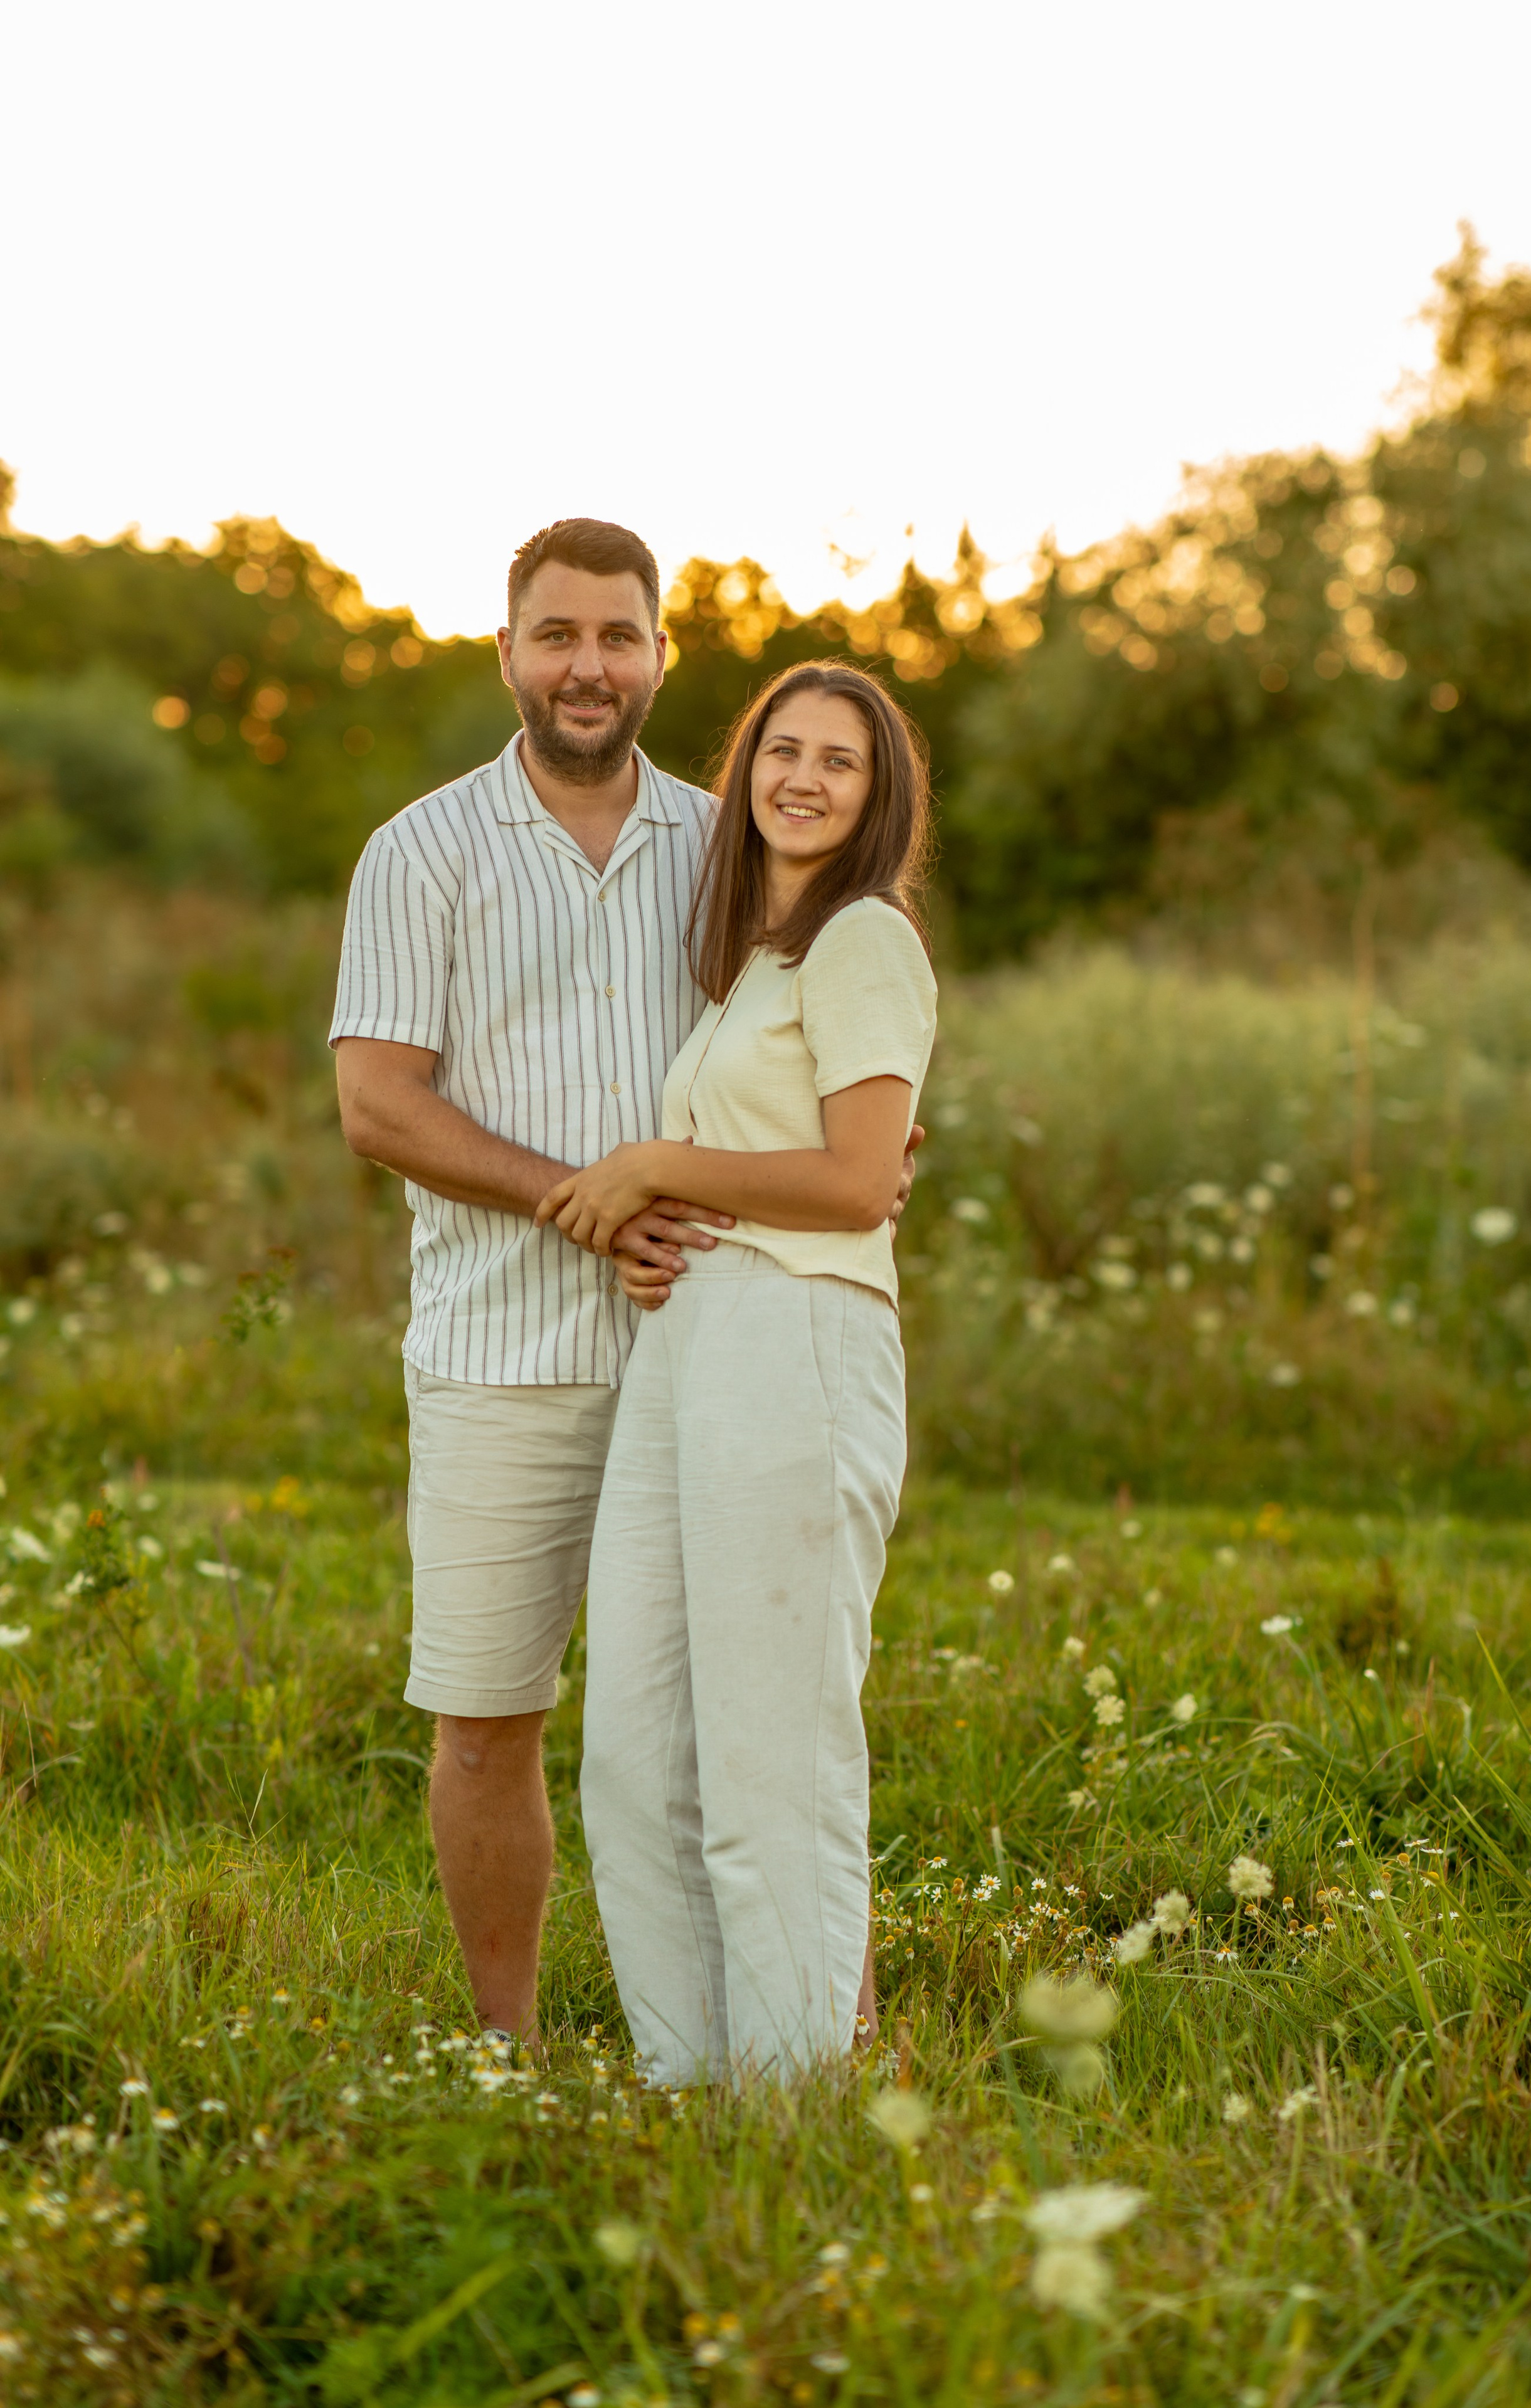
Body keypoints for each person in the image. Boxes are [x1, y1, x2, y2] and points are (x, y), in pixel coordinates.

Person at [331, 522, 918, 2051]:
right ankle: (510, 2048)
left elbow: (836, 1048)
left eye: (617, 636)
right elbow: (378, 1108)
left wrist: (879, 1154)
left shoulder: (732, 838)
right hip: (502, 1347)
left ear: (661, 656)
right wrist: (588, 1204)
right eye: (556, 635)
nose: (586, 665)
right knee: (489, 1714)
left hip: (721, 1341)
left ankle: (832, 2036)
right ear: (508, 651)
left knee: (768, 1705)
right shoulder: (420, 851)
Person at [536, 659, 936, 2085]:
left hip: (798, 1342)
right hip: (691, 1343)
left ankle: (796, 2114)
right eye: (783, 749)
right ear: (746, 767)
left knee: (774, 1763)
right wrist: (659, 1225)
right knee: (639, 1759)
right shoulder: (754, 966)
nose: (805, 778)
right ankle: (690, 2087)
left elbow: (852, 1179)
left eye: (841, 760)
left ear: (879, 797)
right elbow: (792, 1159)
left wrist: (653, 1164)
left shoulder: (862, 942)